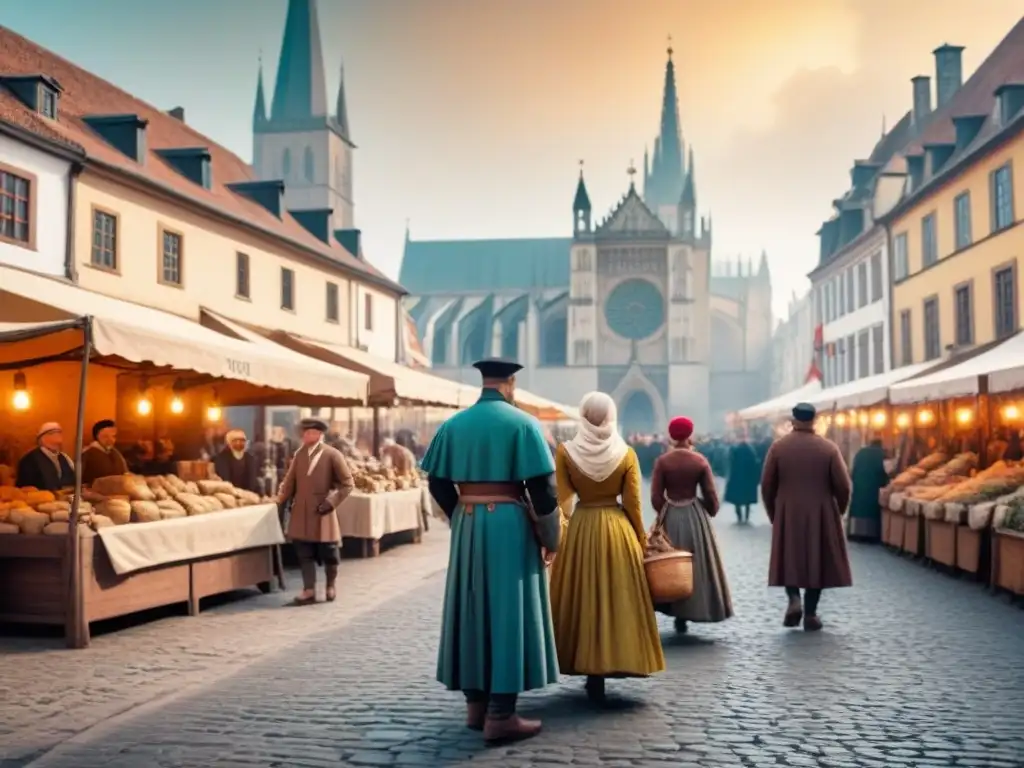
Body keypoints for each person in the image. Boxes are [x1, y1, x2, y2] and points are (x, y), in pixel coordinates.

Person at [422, 358, 560, 745]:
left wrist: (463, 517)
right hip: (509, 526)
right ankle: (501, 715)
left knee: (471, 609)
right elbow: (544, 490)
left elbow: (437, 482)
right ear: (511, 383)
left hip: (468, 522)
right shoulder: (524, 423)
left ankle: (475, 708)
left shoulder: (452, 425)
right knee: (506, 612)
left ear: (483, 382)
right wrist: (551, 538)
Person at [549, 392, 664, 703]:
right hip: (617, 530)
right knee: (618, 598)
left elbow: (562, 500)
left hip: (582, 528)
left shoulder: (566, 452)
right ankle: (615, 657)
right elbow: (633, 504)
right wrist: (640, 540)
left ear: (583, 416)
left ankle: (589, 668)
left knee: (583, 597)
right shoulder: (625, 453)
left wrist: (558, 537)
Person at [760, 402, 853, 631]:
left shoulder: (778, 448)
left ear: (793, 421)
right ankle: (811, 613)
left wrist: (774, 513)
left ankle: (793, 598)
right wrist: (837, 511)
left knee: (789, 557)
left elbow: (767, 485)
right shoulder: (828, 448)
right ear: (814, 421)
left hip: (788, 511)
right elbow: (843, 486)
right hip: (821, 511)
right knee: (817, 561)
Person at [650, 416, 733, 634]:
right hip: (695, 514)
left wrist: (665, 512)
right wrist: (708, 509)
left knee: (669, 562)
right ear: (690, 435)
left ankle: (674, 607)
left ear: (671, 435)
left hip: (671, 514)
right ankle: (693, 607)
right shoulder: (699, 461)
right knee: (697, 564)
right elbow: (711, 495)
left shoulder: (663, 462)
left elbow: (656, 496)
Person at [276, 418, 355, 606]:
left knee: (329, 551)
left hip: (323, 511)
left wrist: (331, 502)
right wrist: (280, 499)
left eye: (311, 432)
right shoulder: (299, 455)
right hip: (301, 510)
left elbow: (347, 484)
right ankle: (309, 589)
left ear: (320, 434)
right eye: (305, 432)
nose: (306, 436)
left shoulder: (333, 455)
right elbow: (290, 482)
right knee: (304, 551)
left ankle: (330, 585)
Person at [847, 431, 890, 543]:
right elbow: (886, 472)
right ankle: (870, 535)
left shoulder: (861, 452)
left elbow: (853, 470)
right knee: (871, 510)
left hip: (859, 487)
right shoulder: (882, 454)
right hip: (873, 488)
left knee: (858, 508)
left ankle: (855, 532)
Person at [16, 422, 74, 491]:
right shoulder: (29, 460)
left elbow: (72, 480)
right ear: (42, 439)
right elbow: (24, 489)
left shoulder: (63, 458)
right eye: (53, 433)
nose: (58, 436)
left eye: (59, 433)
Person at [724, 432, 760, 523]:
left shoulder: (734, 450)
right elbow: (755, 465)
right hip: (748, 479)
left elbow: (730, 463)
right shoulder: (750, 450)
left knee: (737, 500)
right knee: (748, 500)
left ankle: (739, 517)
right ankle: (746, 517)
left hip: (737, 478)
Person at [81, 419, 129, 486]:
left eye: (113, 436)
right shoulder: (87, 454)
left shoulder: (116, 453)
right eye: (105, 437)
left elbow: (125, 473)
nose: (111, 440)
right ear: (97, 437)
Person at [213, 429, 260, 493]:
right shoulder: (221, 458)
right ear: (228, 443)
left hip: (248, 495)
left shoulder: (250, 459)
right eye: (235, 440)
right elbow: (224, 480)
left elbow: (253, 482)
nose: (238, 443)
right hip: (228, 495)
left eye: (242, 440)